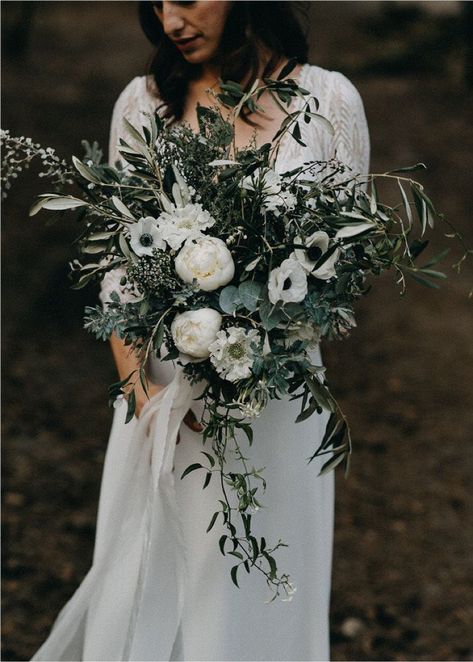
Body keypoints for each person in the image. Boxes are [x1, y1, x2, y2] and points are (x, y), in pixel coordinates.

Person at [31, 2, 370, 660]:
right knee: (151, 585)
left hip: (273, 405)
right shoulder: (145, 104)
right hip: (162, 405)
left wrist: (252, 346)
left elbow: (345, 266)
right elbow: (119, 270)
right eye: (156, 3)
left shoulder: (328, 100)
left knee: (259, 600)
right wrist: (141, 396)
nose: (170, 20)